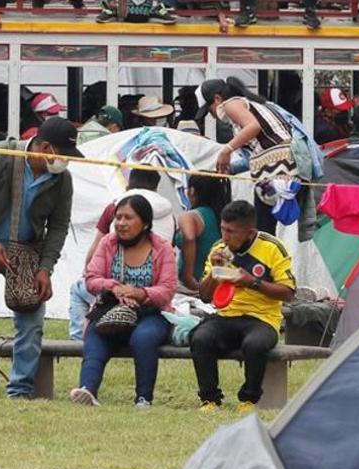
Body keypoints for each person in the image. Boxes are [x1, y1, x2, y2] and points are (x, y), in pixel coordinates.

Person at [0, 117, 78, 399]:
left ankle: (21, 388)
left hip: (28, 250)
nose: (67, 162)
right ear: (46, 148)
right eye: (63, 155)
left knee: (31, 316)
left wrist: (45, 268)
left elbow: (59, 226)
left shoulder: (63, 180)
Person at [70, 195, 176, 407]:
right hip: (111, 310)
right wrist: (113, 287)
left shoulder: (162, 248)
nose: (121, 223)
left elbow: (167, 290)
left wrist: (140, 293)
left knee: (143, 338)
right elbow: (91, 279)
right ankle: (87, 390)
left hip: (150, 313)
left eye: (128, 218)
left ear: (145, 223)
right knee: (96, 335)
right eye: (118, 217)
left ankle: (143, 398)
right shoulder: (108, 243)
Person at [191, 200, 296, 413]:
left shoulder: (271, 247)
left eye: (232, 232)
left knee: (255, 344)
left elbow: (289, 292)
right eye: (222, 229)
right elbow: (204, 295)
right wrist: (215, 272)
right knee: (200, 338)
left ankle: (248, 400)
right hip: (227, 315)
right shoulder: (219, 249)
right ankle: (210, 400)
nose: (225, 237)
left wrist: (252, 282)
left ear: (249, 232)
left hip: (262, 319)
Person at [199, 77, 299, 234]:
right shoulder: (252, 104)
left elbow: (253, 126)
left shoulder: (231, 104)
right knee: (265, 221)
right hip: (281, 163)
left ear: (217, 99)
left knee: (263, 226)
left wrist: (227, 150)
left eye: (210, 109)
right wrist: (230, 169)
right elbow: (250, 154)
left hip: (276, 163)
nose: (212, 116)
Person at [174, 174, 229, 293]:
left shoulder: (191, 216)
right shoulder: (223, 215)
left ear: (192, 191)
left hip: (195, 285)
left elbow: (189, 237)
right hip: (219, 282)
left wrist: (188, 276)